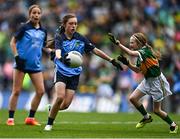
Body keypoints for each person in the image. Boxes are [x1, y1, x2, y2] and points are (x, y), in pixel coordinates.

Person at [44, 13, 122, 131]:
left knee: (65, 105)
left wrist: (111, 60)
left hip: (74, 74)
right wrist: (63, 58)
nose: (73, 26)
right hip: (61, 72)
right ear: (65, 25)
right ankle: (49, 124)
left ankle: (53, 108)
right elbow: (58, 53)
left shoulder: (81, 38)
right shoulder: (59, 37)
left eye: (75, 23)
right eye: (71, 23)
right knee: (60, 97)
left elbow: (95, 51)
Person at [108, 32, 178, 133]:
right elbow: (137, 70)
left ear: (139, 43)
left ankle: (173, 125)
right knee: (132, 98)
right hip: (147, 81)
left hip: (157, 82)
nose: (130, 45)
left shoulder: (144, 51)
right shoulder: (141, 54)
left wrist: (118, 43)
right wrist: (128, 63)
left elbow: (130, 53)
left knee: (157, 111)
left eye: (132, 43)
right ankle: (146, 117)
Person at [7, 4, 51, 126]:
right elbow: (12, 42)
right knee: (16, 91)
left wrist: (52, 52)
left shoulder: (43, 31)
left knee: (41, 91)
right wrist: (16, 57)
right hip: (21, 64)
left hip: (35, 65)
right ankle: (10, 118)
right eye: (34, 13)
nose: (36, 15)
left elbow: (44, 46)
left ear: (41, 15)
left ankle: (30, 118)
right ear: (29, 14)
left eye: (38, 13)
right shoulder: (23, 28)